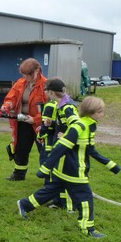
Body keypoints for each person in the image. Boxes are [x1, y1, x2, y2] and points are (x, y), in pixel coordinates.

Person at [17, 96, 121, 238]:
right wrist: (45, 168)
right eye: (100, 111)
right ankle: (88, 229)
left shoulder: (90, 125)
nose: (103, 114)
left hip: (65, 170)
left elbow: (90, 150)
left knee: (49, 191)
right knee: (85, 199)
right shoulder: (80, 127)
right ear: (92, 112)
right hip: (74, 171)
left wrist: (110, 164)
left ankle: (24, 204)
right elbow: (60, 147)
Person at [0, 58, 48, 181]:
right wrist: (7, 106)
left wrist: (36, 119)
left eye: (28, 74)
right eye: (23, 74)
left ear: (37, 70)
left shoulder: (46, 85)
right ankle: (19, 175)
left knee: (45, 150)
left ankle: (49, 178)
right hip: (23, 122)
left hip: (41, 124)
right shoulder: (20, 83)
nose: (26, 77)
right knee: (21, 148)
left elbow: (50, 109)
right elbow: (11, 97)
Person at [43, 77, 80, 210]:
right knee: (56, 174)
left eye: (46, 90)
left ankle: (66, 205)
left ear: (52, 93)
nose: (45, 93)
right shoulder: (61, 105)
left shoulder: (67, 107)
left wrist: (67, 135)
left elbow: (77, 125)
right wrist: (52, 123)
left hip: (66, 147)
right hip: (60, 145)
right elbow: (64, 123)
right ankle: (58, 201)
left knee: (64, 175)